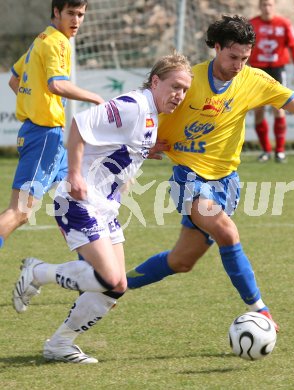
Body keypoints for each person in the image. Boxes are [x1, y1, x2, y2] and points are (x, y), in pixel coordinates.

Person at [126, 15, 294, 330]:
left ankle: (115, 284)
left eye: (245, 58)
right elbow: (144, 109)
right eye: (232, 57)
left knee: (181, 261)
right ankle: (260, 309)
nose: (239, 64)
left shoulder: (254, 79)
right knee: (227, 233)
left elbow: (293, 102)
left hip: (227, 181)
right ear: (217, 48)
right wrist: (144, 142)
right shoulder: (190, 80)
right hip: (188, 176)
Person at [12, 52, 193, 364]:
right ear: (155, 81)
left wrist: (146, 150)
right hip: (78, 201)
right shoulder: (133, 105)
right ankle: (38, 272)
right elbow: (80, 126)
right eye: (175, 86)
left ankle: (60, 344)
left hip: (105, 207)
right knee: (109, 278)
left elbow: (118, 145)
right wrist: (73, 175)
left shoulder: (150, 115)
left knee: (117, 286)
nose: (180, 95)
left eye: (185, 90)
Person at [0, 0, 104, 249]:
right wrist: (96, 97)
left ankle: (92, 265)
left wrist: (36, 104)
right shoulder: (58, 41)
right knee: (20, 211)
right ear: (56, 12)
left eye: (81, 14)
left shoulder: (41, 40)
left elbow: (14, 80)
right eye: (71, 13)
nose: (76, 20)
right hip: (45, 135)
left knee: (81, 188)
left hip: (45, 135)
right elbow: (56, 84)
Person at [250, 0, 294, 163]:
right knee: (258, 111)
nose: (267, 8)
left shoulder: (284, 24)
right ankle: (265, 150)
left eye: (270, 5)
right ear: (260, 7)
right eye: (264, 5)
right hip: (257, 71)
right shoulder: (252, 24)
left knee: (279, 109)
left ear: (274, 6)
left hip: (277, 70)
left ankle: (280, 151)